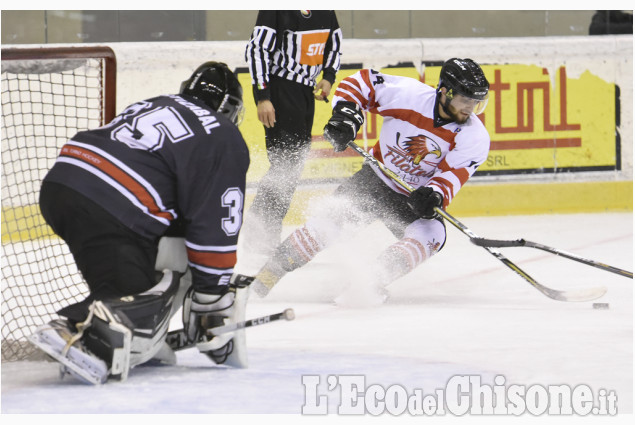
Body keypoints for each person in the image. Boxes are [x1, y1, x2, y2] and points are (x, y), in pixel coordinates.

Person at [28, 62, 250, 384]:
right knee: (160, 280)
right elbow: (214, 226)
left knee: (124, 280)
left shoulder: (158, 102)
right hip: (113, 203)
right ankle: (84, 327)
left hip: (63, 181)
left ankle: (111, 320)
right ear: (228, 107)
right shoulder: (222, 133)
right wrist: (211, 298)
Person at [248, 58, 491, 301]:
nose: (471, 108)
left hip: (412, 198)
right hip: (375, 179)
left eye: (477, 102)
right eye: (465, 100)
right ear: (445, 92)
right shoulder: (409, 96)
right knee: (327, 225)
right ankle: (268, 274)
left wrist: (434, 194)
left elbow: (451, 176)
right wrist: (347, 113)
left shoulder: (475, 137)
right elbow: (361, 82)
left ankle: (369, 281)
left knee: (432, 235)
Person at [243, 10, 343, 256]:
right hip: (280, 90)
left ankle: (259, 232)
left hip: (305, 94)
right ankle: (261, 235)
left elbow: (334, 44)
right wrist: (263, 97)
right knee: (285, 165)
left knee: (290, 165)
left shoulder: (325, 10)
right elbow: (257, 50)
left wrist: (328, 77)